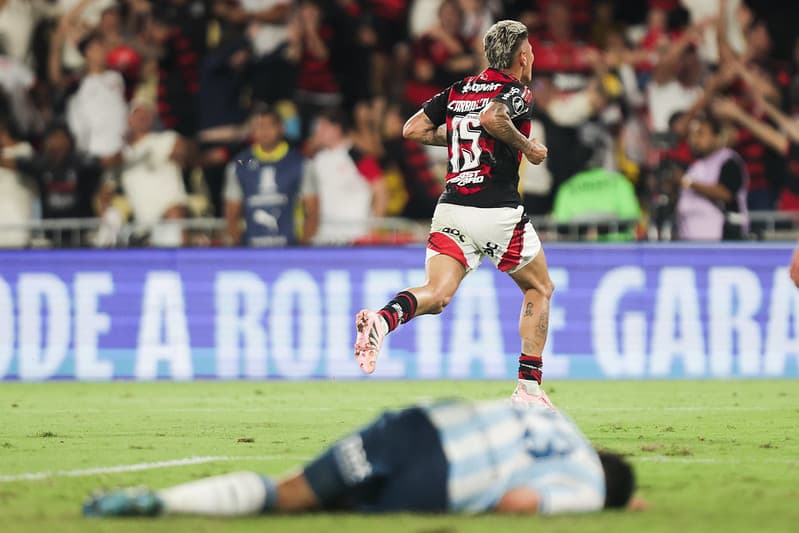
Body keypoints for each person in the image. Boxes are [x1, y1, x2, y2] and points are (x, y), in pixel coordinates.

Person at [353, 20, 553, 408]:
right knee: (539, 287)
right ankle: (528, 389)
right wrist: (528, 147)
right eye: (530, 50)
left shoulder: (460, 89)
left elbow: (412, 129)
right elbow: (492, 119)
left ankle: (382, 319)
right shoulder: (516, 91)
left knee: (438, 294)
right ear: (523, 56)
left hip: (451, 208)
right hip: (495, 208)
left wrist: (460, 135)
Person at [82, 398, 640, 518]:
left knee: (293, 490)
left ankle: (161, 500)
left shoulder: (557, 416)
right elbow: (520, 501)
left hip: (417, 424)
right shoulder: (587, 488)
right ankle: (159, 509)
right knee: (327, 510)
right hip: (439, 480)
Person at [301, 109, 387, 245]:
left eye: (323, 127)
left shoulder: (356, 155)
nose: (318, 132)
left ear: (337, 128)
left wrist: (374, 227)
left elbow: (381, 191)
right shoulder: (317, 160)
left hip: (356, 235)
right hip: (326, 236)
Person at [224, 105, 306, 246]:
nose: (264, 131)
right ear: (252, 130)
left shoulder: (299, 162)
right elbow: (232, 213)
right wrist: (241, 247)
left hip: (291, 246)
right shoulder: (240, 164)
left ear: (281, 127)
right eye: (259, 126)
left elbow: (312, 208)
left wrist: (302, 248)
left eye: (269, 125)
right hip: (252, 248)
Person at [675, 114, 748, 241]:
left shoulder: (728, 160)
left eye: (700, 134)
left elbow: (726, 193)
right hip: (691, 238)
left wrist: (687, 182)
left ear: (716, 137)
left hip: (723, 238)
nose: (694, 140)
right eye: (691, 135)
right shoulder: (695, 166)